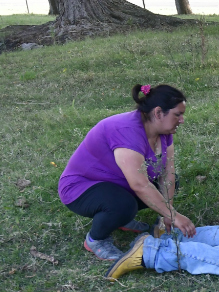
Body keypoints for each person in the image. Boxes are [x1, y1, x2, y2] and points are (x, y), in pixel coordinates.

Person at [58, 84, 196, 261]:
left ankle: (119, 219)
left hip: (116, 184)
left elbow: (167, 173)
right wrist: (174, 215)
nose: (182, 120)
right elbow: (139, 185)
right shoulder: (126, 131)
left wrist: (167, 214)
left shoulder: (164, 131)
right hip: (81, 187)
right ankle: (96, 239)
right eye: (178, 114)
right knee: (123, 206)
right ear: (159, 113)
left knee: (170, 183)